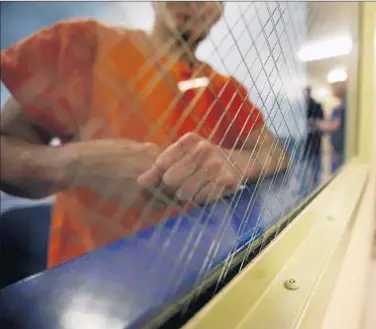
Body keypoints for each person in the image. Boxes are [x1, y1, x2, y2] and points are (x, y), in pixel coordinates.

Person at [0, 2, 289, 268]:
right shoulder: (81, 43)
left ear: (219, 10)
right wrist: (75, 164)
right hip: (89, 289)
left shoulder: (227, 91)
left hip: (203, 275)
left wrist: (232, 162)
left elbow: (276, 153)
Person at [303, 86, 324, 188]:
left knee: (315, 163)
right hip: (305, 140)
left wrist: (312, 123)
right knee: (305, 164)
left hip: (314, 139)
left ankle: (316, 185)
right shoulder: (301, 106)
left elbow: (321, 122)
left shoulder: (317, 105)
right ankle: (305, 186)